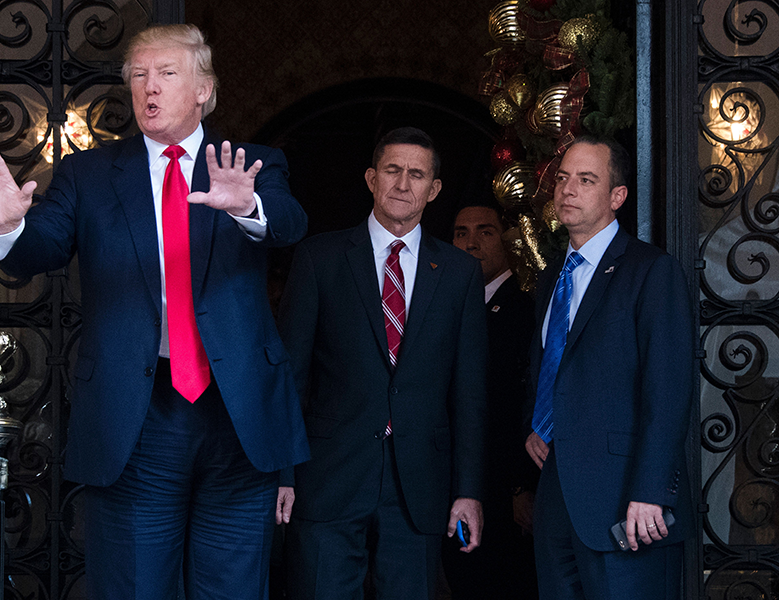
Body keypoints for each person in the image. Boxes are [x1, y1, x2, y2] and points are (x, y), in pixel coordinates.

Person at [0, 24, 309, 600]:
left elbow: (291, 225)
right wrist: (8, 225)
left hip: (238, 413)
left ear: (203, 91)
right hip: (135, 416)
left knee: (234, 589)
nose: (149, 88)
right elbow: (39, 250)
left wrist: (250, 206)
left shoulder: (250, 164)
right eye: (139, 75)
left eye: (167, 74)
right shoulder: (87, 174)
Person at [276, 127, 487, 600]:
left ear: (433, 190)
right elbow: (291, 377)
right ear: (371, 178)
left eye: (417, 174)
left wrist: (468, 490)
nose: (403, 183)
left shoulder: (459, 274)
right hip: (328, 478)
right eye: (392, 170)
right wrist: (282, 473)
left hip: (419, 487)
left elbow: (469, 392)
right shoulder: (320, 258)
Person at [524, 136, 694, 599]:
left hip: (628, 502)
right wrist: (535, 424)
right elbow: (552, 364)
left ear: (617, 196)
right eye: (562, 178)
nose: (567, 189)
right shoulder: (552, 274)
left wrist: (651, 491)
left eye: (586, 179)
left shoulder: (651, 270)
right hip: (559, 496)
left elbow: (669, 390)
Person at [443, 203, 539, 599]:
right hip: (452, 483)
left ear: (507, 239)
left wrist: (522, 486)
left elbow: (524, 400)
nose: (471, 243)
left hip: (507, 490)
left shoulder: (527, 308)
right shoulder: (442, 306)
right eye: (461, 233)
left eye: (485, 231)